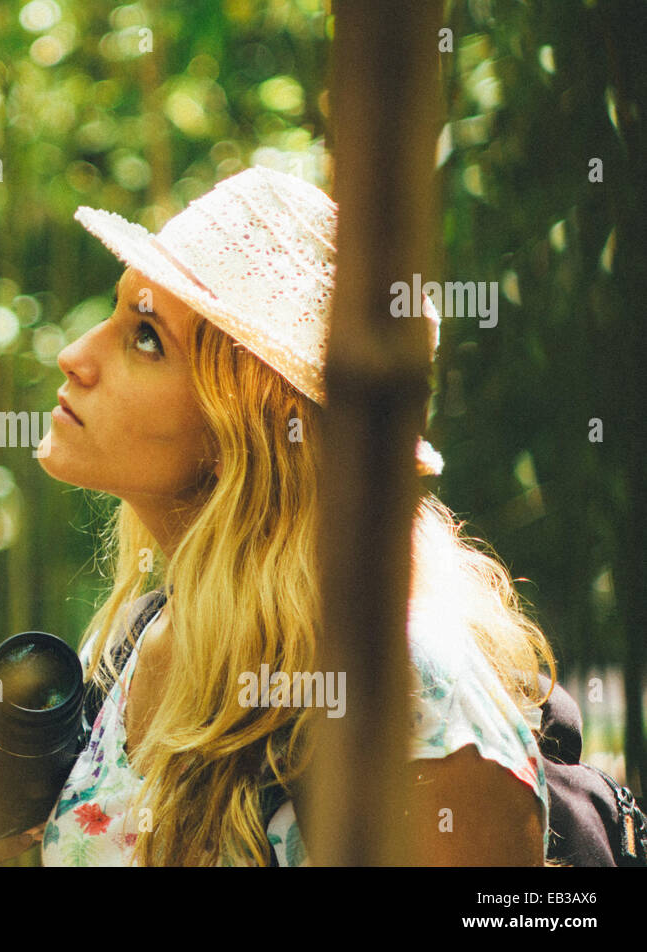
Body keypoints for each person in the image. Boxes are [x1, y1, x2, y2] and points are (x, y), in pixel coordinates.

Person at [32, 166, 555, 866]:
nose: (74, 356)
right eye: (116, 311)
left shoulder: (404, 685)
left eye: (146, 336)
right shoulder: (146, 636)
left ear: (243, 431)